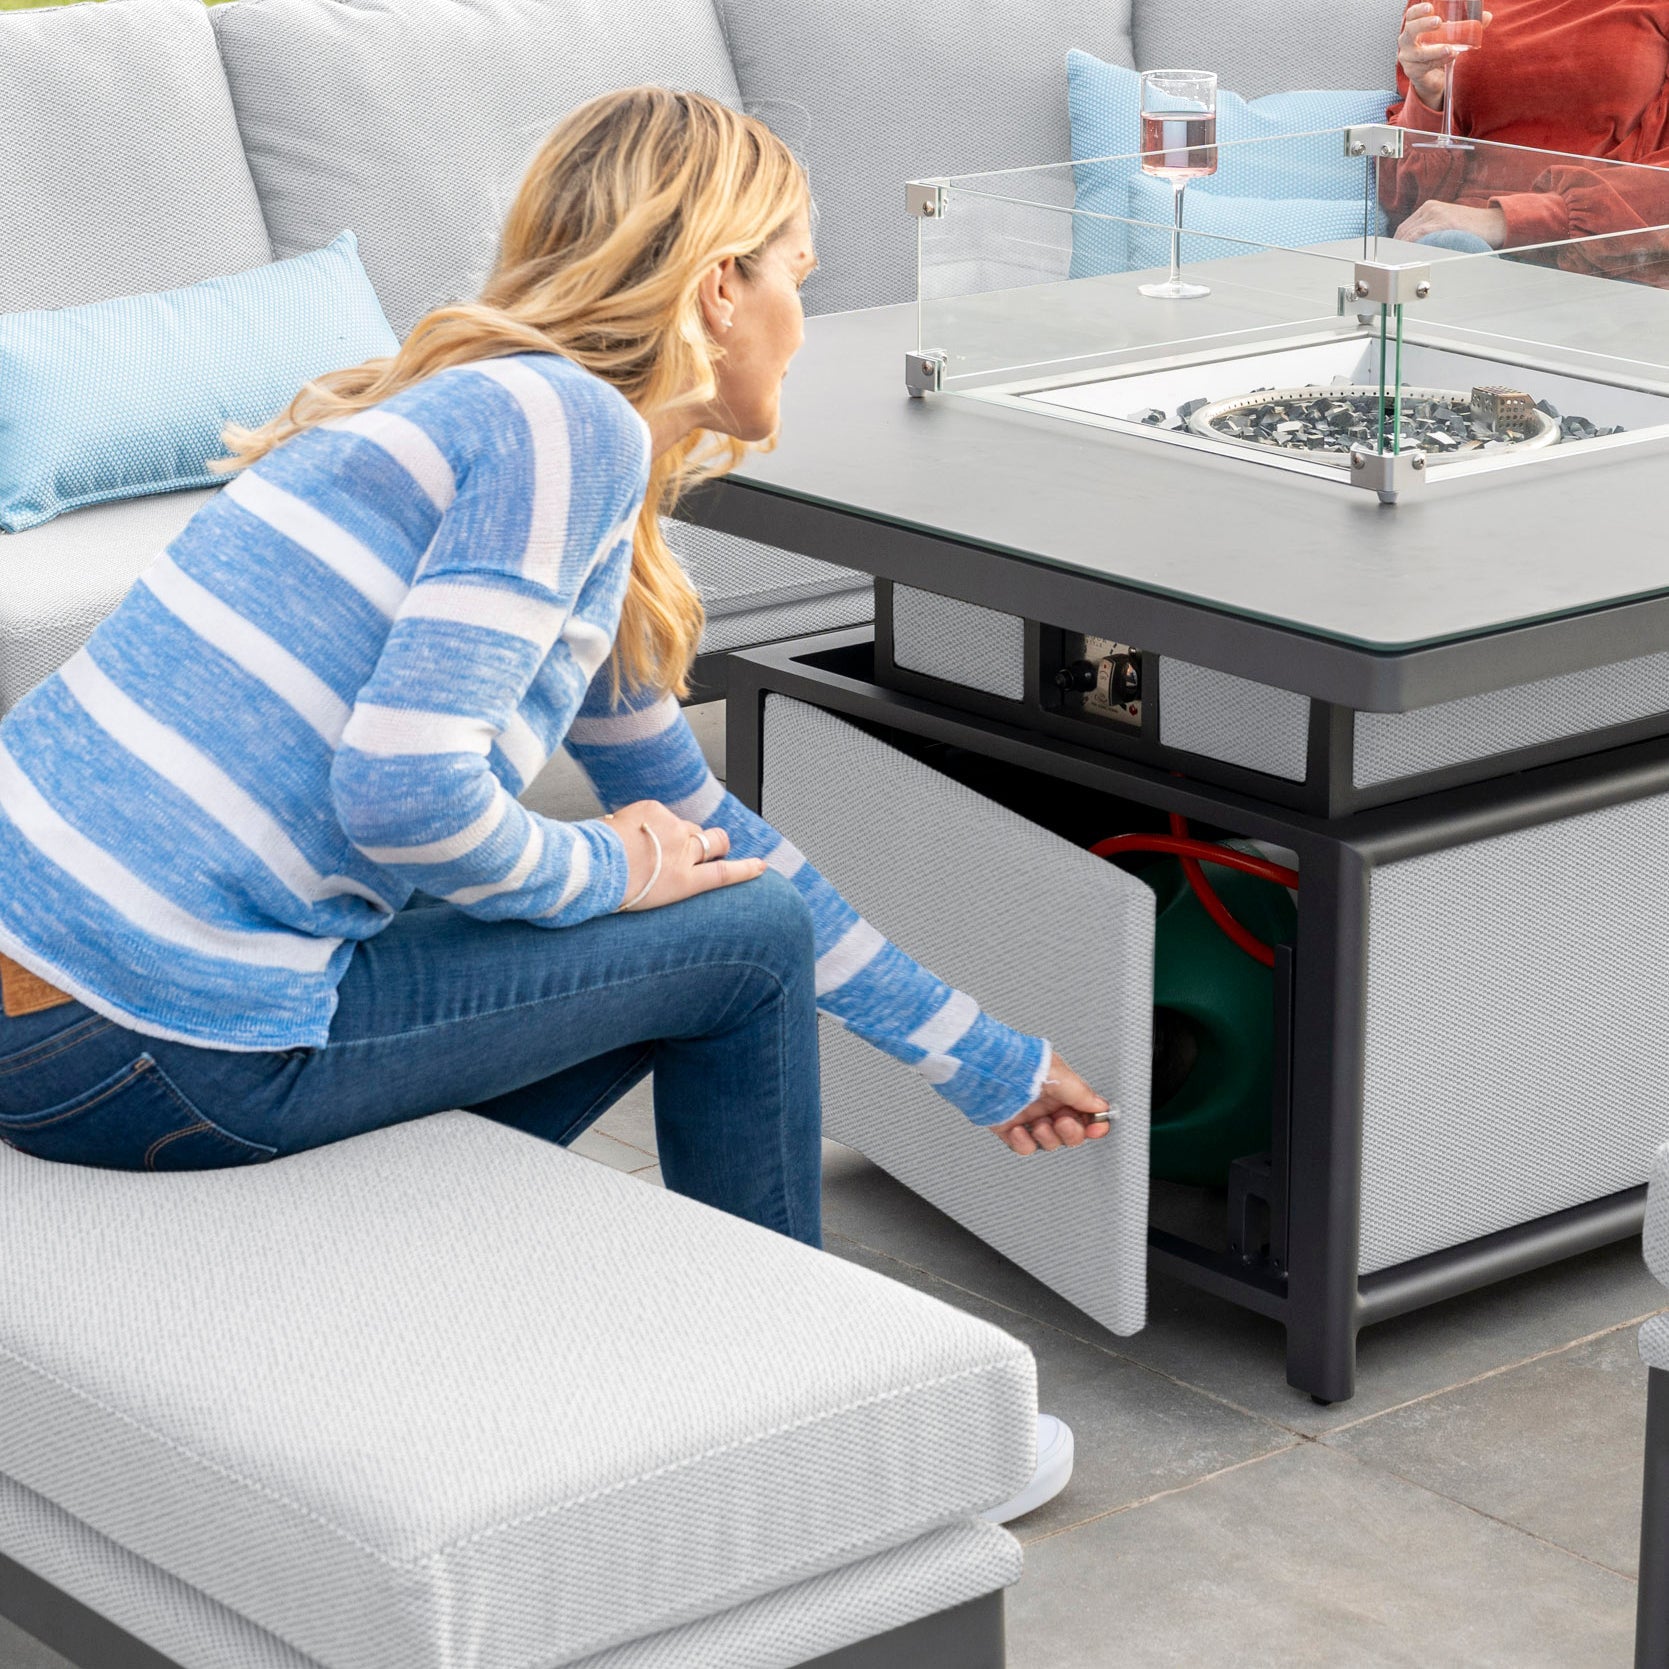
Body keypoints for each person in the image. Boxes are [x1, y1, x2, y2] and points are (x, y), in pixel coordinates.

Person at [0, 89, 1099, 1520]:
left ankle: (503, 1301)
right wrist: (598, 869)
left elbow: (714, 845)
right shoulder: (565, 429)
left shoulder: (495, 427)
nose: (801, 326)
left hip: (56, 1025)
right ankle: (831, 1434)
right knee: (729, 943)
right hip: (143, 1049)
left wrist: (980, 1057)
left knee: (718, 925)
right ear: (720, 289)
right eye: (798, 282)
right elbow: (403, 792)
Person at [1384, 0, 1669, 278]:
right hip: (1468, 250)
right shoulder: (1451, 7)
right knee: (1446, 255)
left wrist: (1506, 220)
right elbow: (1408, 205)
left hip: (1606, 257)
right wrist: (1429, 99)